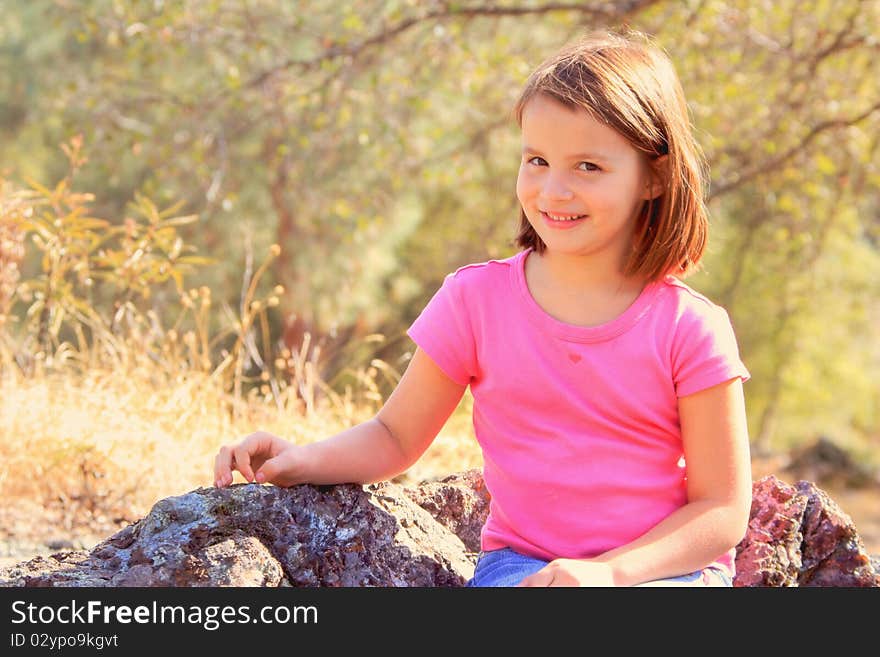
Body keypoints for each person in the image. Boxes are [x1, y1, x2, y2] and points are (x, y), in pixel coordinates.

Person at [213, 28, 752, 587]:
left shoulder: (690, 328)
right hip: (521, 567)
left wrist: (609, 574)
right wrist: (299, 460)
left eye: (588, 167)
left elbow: (721, 510)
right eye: (537, 160)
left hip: (663, 575)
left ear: (654, 177)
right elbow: (395, 437)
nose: (554, 190)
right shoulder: (474, 301)